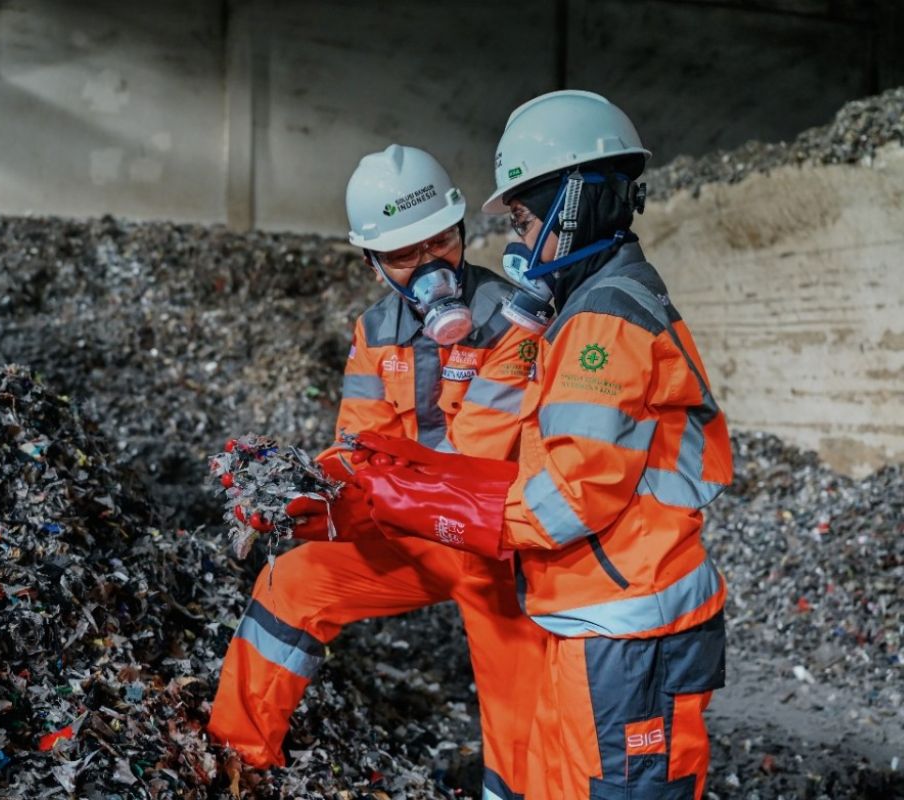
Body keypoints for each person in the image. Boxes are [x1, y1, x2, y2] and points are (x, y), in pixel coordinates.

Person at [349, 91, 732, 800]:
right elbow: (495, 447)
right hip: (592, 611)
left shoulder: (603, 325)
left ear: (577, 205)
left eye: (524, 220)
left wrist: (446, 512)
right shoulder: (577, 314)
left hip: (630, 626)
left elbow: (570, 496)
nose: (519, 243)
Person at [207, 143, 548, 800]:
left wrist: (375, 494)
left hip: (499, 544)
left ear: (461, 231)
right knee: (289, 581)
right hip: (414, 532)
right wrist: (307, 493)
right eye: (404, 255)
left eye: (440, 242)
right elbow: (360, 445)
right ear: (372, 265)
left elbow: (479, 462)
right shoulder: (375, 332)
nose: (429, 266)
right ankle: (239, 760)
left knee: (519, 690)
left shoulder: (516, 321)